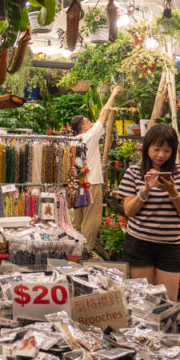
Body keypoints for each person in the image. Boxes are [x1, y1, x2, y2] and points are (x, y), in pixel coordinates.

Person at [117, 124, 180, 301]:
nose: (161, 155)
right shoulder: (133, 172)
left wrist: (172, 191)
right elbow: (129, 211)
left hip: (170, 246)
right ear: (147, 147)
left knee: (167, 302)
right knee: (142, 301)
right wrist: (145, 190)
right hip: (139, 243)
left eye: (167, 151)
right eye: (156, 149)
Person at [70, 85, 121, 250]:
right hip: (91, 183)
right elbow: (104, 113)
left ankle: (73, 250)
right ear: (83, 127)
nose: (90, 123)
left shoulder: (73, 140)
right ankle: (85, 251)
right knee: (91, 219)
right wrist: (113, 93)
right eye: (87, 121)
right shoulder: (90, 135)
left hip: (77, 184)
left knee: (78, 220)